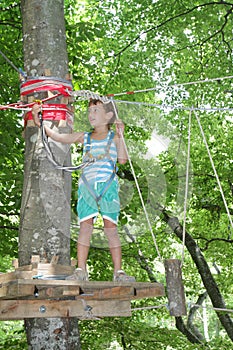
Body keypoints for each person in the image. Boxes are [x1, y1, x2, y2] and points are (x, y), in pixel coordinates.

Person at [32, 99, 135, 282]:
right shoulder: (84, 137)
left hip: (107, 186)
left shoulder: (114, 137)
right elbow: (58, 137)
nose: (91, 115)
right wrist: (39, 121)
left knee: (111, 228)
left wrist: (121, 135)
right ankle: (81, 270)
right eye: (90, 111)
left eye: (96, 110)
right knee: (85, 228)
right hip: (87, 187)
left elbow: (122, 160)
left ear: (109, 115)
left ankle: (118, 271)